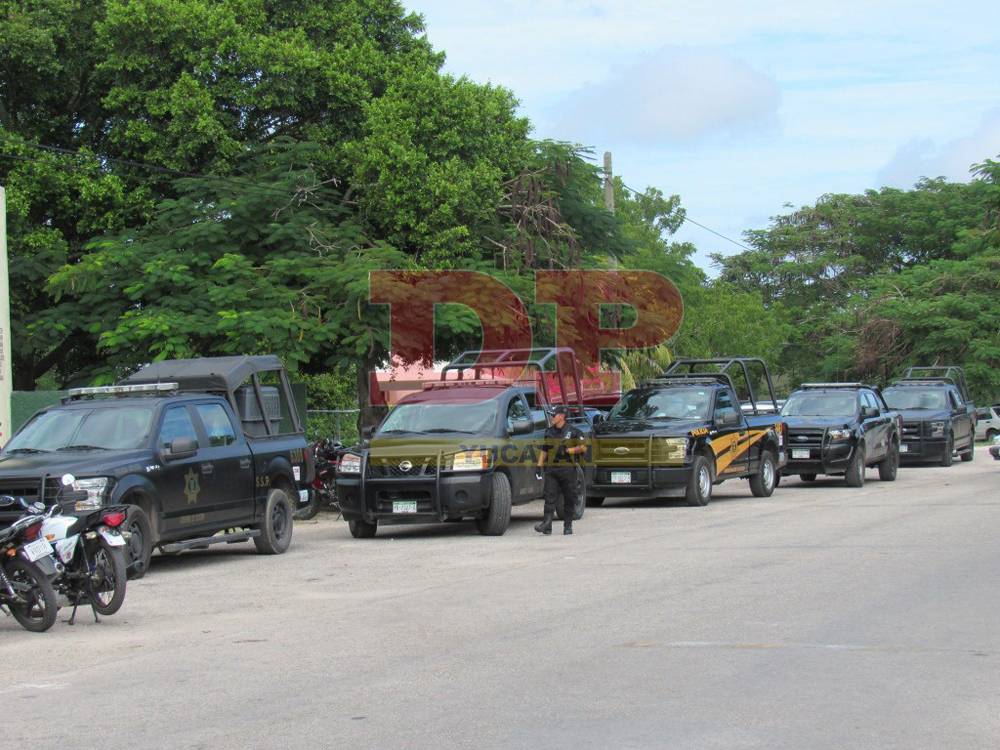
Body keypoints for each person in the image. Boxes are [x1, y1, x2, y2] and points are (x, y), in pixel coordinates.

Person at [535, 405, 588, 535]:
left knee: (569, 497)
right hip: (552, 469)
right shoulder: (549, 432)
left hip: (568, 469)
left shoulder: (574, 432)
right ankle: (547, 524)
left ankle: (568, 525)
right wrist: (539, 465)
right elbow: (544, 450)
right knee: (549, 497)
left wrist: (568, 450)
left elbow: (583, 448)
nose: (552, 417)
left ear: (562, 416)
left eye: (554, 415)